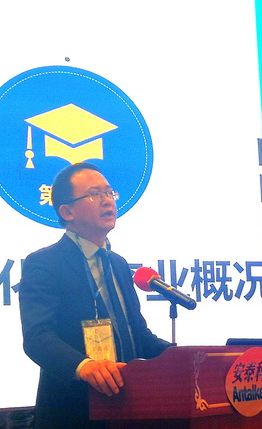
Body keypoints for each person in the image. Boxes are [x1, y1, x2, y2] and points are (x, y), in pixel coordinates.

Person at [19, 162, 171, 428]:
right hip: (73, 412)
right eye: (94, 194)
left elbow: (138, 336)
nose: (107, 201)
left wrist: (185, 358)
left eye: (109, 193)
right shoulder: (45, 263)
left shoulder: (118, 265)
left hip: (127, 407)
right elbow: (38, 338)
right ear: (67, 211)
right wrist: (85, 366)